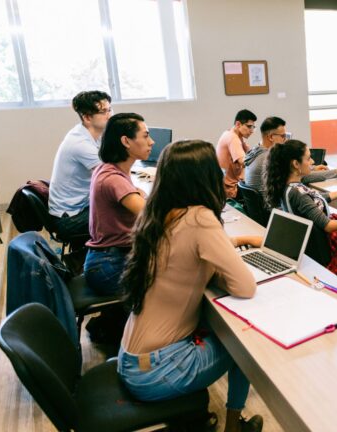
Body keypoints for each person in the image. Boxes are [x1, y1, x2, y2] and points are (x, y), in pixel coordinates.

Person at [118, 140, 264, 432]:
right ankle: (234, 427)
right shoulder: (199, 217)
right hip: (158, 370)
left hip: (132, 360)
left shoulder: (157, 213)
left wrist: (225, 253)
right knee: (244, 344)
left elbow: (186, 259)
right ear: (206, 177)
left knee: (220, 327)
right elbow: (245, 286)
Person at [263, 139, 337, 289]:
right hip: (328, 249)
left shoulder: (287, 187)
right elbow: (328, 225)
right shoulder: (298, 194)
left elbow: (314, 201)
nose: (312, 162)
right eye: (308, 158)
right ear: (296, 164)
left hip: (312, 246)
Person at [84, 113, 150, 295]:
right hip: (109, 267)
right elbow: (152, 215)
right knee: (177, 276)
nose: (151, 142)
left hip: (106, 259)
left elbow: (138, 195)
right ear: (126, 141)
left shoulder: (109, 169)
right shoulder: (114, 179)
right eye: (145, 136)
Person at [48, 90, 112, 241]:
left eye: (110, 109)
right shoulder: (80, 143)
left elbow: (111, 163)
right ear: (87, 117)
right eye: (103, 112)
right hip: (70, 219)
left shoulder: (92, 134)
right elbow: (110, 178)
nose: (110, 115)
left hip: (80, 206)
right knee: (126, 214)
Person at [244, 116, 337, 191]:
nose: (285, 140)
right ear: (270, 137)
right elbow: (301, 177)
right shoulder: (268, 158)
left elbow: (291, 171)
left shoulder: (256, 150)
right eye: (283, 136)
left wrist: (312, 168)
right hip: (272, 209)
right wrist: (336, 172)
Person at [217, 109, 257, 199]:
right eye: (249, 126)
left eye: (253, 127)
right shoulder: (233, 138)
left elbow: (249, 153)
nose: (251, 131)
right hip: (231, 190)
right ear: (238, 124)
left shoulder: (230, 133)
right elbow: (244, 161)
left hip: (225, 186)